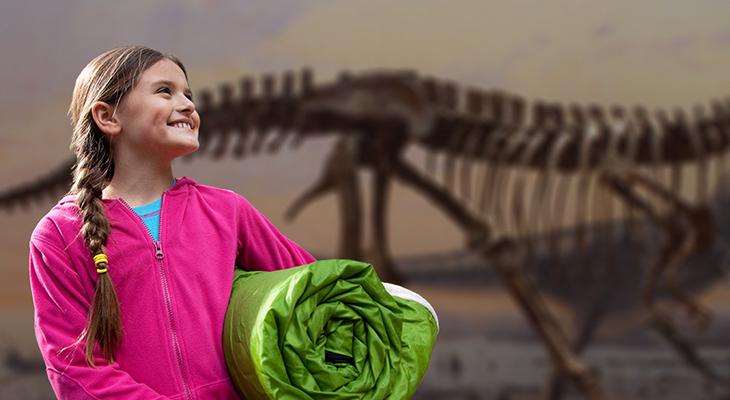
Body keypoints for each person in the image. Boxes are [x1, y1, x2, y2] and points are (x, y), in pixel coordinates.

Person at [28, 46, 316, 399]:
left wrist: (394, 301)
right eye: (165, 91)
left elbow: (316, 288)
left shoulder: (228, 210)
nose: (188, 105)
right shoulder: (58, 235)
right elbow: (74, 368)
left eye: (188, 94)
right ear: (108, 117)